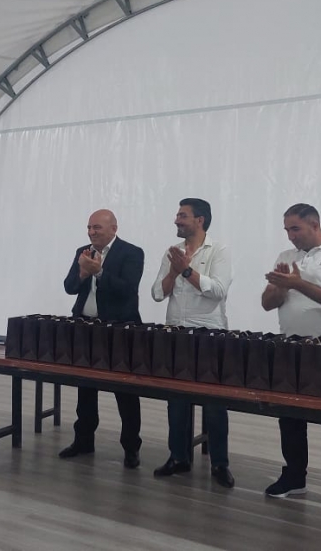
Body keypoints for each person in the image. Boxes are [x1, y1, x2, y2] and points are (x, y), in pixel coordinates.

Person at [261, 203, 321, 516]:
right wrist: (281, 287)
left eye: (296, 229)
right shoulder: (285, 257)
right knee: (290, 419)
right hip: (290, 347)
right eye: (287, 230)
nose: (290, 236)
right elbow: (267, 303)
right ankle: (294, 477)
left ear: (314, 225)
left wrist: (298, 283)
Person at [150, 198, 235, 488]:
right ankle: (179, 457)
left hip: (209, 335)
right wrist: (174, 271)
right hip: (176, 333)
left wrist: (187, 271)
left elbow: (219, 291)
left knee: (214, 403)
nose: (176, 220)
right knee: (176, 400)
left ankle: (220, 463)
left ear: (200, 220)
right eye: (177, 215)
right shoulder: (172, 252)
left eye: (182, 215)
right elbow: (157, 294)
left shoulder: (219, 250)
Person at [60, 209, 144, 469]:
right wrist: (83, 273)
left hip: (119, 330)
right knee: (85, 388)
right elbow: (69, 287)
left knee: (125, 392)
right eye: (89, 227)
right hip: (85, 328)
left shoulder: (132, 253)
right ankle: (84, 440)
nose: (91, 232)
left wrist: (99, 273)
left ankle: (131, 447)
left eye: (96, 227)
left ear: (113, 229)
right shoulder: (83, 252)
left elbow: (128, 290)